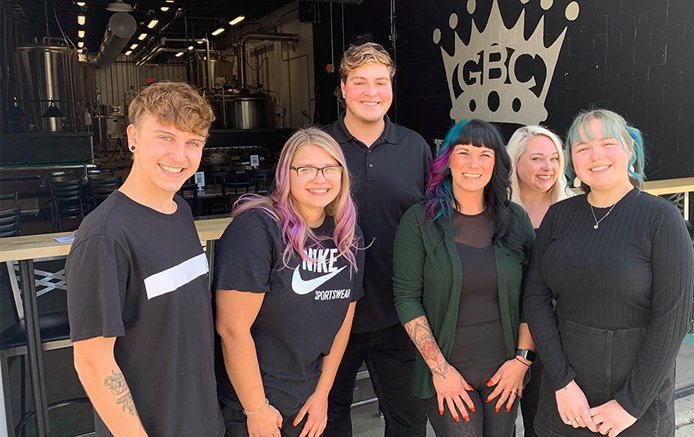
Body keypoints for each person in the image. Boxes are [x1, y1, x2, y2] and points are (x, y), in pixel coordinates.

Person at [66, 82, 224, 437]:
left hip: (202, 420)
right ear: (133, 137)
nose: (180, 156)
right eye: (165, 137)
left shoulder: (179, 210)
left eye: (193, 143)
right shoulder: (105, 235)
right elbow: (93, 362)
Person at [523, 109, 693, 437]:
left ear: (630, 149)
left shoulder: (661, 218)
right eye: (582, 147)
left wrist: (630, 403)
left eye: (606, 143)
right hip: (565, 391)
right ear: (572, 160)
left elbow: (673, 320)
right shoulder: (558, 216)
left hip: (637, 397)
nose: (595, 155)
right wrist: (562, 382)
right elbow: (535, 298)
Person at [213, 127, 365, 437]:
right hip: (251, 405)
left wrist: (323, 394)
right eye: (306, 169)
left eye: (329, 168)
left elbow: (342, 322)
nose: (320, 179)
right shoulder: (257, 229)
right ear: (286, 174)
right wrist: (256, 409)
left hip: (307, 401)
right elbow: (231, 329)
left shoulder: (347, 236)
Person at [393, 119, 536, 437]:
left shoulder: (516, 220)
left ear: (496, 163)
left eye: (485, 154)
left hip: (505, 372)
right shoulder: (420, 221)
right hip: (448, 372)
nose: (474, 163)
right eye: (464, 152)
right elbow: (406, 297)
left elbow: (533, 296)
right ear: (447, 159)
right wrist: (439, 370)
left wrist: (522, 362)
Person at [323, 42, 431, 437]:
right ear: (344, 88)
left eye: (381, 82)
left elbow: (433, 222)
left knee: (408, 421)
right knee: (326, 419)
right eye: (361, 82)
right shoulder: (318, 147)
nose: (372, 92)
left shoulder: (415, 147)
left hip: (400, 313)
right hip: (329, 314)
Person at [505, 125, 573, 437]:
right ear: (515, 162)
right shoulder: (496, 212)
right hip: (500, 332)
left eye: (554, 158)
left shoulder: (573, 210)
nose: (548, 167)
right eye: (536, 159)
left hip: (553, 337)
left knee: (542, 422)